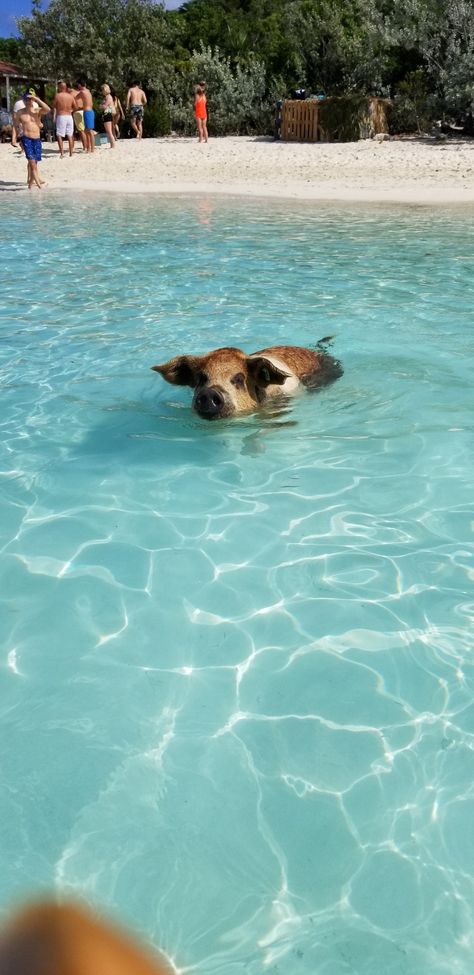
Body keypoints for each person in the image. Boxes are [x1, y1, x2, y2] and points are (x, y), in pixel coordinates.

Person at [15, 90, 50, 189]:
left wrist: (37, 99)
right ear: (24, 100)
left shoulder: (37, 110)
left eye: (30, 99)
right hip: (26, 139)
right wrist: (15, 139)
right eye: (26, 99)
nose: (28, 101)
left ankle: (30, 186)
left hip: (37, 139)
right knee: (32, 163)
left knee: (34, 163)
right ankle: (39, 186)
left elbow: (48, 109)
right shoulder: (20, 112)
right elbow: (15, 126)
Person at [53, 81, 77, 157]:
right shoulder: (70, 96)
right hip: (69, 116)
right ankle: (71, 153)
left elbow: (54, 106)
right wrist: (71, 110)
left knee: (59, 135)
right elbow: (75, 107)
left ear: (60, 87)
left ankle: (62, 153)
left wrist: (54, 115)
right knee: (70, 135)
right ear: (66, 87)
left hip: (61, 116)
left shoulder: (57, 96)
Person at [75, 81, 95, 153]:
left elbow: (75, 98)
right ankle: (90, 148)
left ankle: (91, 148)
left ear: (80, 85)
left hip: (87, 112)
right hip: (90, 111)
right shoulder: (88, 91)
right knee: (88, 130)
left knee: (89, 131)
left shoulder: (82, 92)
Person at [69, 82, 87, 151]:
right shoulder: (80, 92)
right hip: (84, 111)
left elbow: (73, 105)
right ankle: (86, 145)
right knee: (85, 130)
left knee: (81, 130)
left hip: (77, 112)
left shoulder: (71, 94)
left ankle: (85, 146)